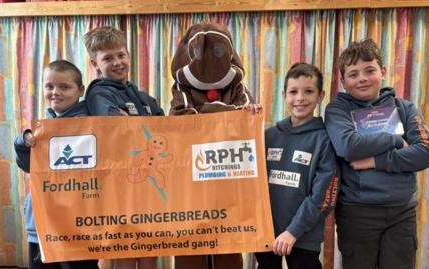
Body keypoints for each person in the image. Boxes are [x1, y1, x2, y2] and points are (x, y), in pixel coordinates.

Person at [324, 39, 429, 269]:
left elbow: (426, 152)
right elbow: (348, 146)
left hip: (401, 213)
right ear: (343, 81)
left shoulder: (404, 108)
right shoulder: (338, 109)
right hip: (356, 212)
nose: (362, 78)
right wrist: (396, 139)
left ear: (383, 72)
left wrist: (377, 160)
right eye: (353, 74)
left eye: (369, 70)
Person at [169, 22, 261, 269]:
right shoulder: (182, 88)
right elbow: (180, 119)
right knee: (190, 250)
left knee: (228, 247)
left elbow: (246, 119)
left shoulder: (237, 88)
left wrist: (216, 115)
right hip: (190, 186)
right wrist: (227, 114)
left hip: (228, 184)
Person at [84, 26, 164, 269]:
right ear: (95, 63)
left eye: (120, 55)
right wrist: (141, 128)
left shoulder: (144, 98)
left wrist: (134, 124)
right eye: (107, 58)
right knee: (125, 252)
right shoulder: (99, 94)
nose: (117, 62)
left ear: (128, 55)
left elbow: (168, 133)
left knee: (150, 251)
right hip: (119, 190)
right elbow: (116, 130)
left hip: (148, 190)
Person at [14, 60, 99, 269]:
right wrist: (23, 142)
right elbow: (29, 167)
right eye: (49, 86)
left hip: (79, 223)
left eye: (64, 87)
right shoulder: (43, 127)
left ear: (80, 90)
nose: (55, 92)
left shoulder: (93, 124)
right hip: (44, 221)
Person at [254, 63, 339, 269]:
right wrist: (247, 114)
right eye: (293, 91)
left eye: (308, 91)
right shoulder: (267, 136)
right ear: (284, 95)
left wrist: (293, 231)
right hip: (266, 234)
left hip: (304, 237)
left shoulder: (325, 140)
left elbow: (324, 196)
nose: (300, 98)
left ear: (320, 96)